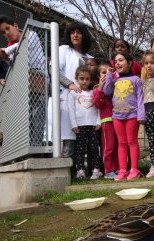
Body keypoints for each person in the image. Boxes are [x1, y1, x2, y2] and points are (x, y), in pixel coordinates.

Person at [0, 14, 46, 146]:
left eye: (7, 28)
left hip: (38, 82)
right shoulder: (12, 48)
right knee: (25, 120)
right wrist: (6, 57)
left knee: (37, 116)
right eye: (3, 32)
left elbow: (22, 46)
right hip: (24, 86)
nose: (6, 33)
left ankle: (35, 148)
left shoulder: (31, 34)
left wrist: (6, 51)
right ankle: (25, 147)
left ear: (16, 26)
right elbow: (13, 64)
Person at [104, 52, 145, 181]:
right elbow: (107, 91)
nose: (117, 63)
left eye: (121, 60)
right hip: (117, 116)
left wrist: (141, 115)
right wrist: (109, 75)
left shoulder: (136, 79)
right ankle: (122, 170)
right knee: (121, 143)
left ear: (129, 63)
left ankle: (134, 169)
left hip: (132, 115)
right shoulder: (114, 79)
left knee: (132, 142)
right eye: (116, 61)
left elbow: (140, 98)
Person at [58, 22, 93, 160]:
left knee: (87, 135)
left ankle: (86, 168)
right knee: (69, 134)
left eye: (79, 32)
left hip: (87, 103)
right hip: (68, 98)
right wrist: (70, 84)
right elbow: (53, 69)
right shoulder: (64, 50)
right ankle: (68, 167)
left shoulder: (90, 58)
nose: (75, 35)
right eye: (72, 32)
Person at [68, 66, 102, 179]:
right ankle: (80, 170)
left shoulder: (94, 92)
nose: (84, 81)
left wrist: (98, 121)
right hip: (80, 126)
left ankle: (96, 170)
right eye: (81, 78)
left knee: (94, 149)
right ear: (76, 79)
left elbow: (98, 109)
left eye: (87, 79)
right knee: (80, 149)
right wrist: (73, 124)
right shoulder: (73, 93)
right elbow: (71, 110)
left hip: (93, 125)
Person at [93, 62, 119, 180]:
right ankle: (109, 170)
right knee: (108, 147)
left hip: (118, 120)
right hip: (106, 121)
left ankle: (118, 168)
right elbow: (98, 104)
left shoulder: (114, 86)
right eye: (103, 72)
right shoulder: (97, 89)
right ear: (98, 76)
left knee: (118, 145)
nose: (106, 74)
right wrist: (100, 89)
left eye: (109, 72)